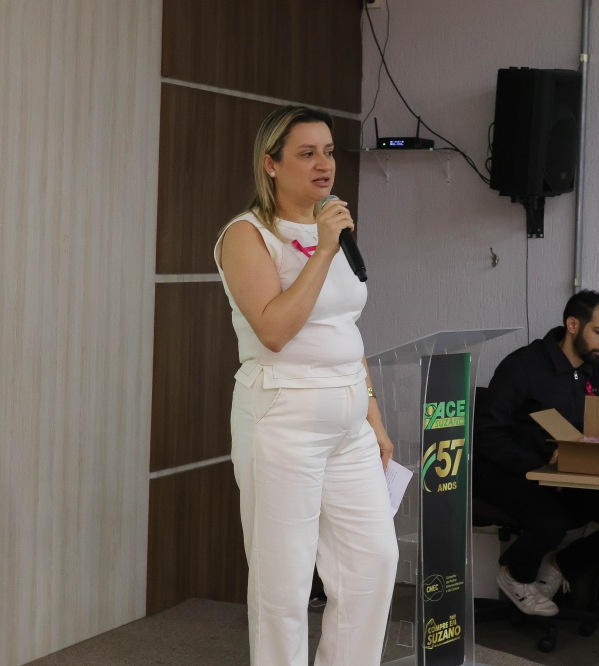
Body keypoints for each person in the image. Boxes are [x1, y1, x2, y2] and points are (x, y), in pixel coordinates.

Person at [214, 105, 398, 666]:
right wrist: (322, 249)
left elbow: (345, 329)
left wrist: (373, 417)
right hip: (283, 414)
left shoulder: (331, 227)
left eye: (329, 152)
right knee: (284, 585)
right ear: (270, 164)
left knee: (373, 564)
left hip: (349, 418)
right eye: (307, 153)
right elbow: (273, 330)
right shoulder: (247, 235)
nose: (324, 164)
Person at [473, 290, 599, 616]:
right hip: (510, 470)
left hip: (568, 473)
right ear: (573, 325)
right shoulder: (523, 366)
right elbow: (487, 435)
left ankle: (562, 565)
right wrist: (539, 466)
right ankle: (515, 574)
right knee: (553, 521)